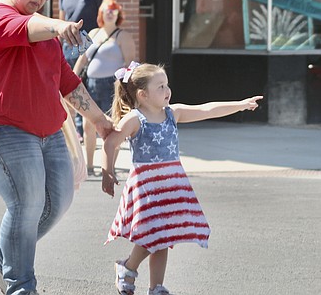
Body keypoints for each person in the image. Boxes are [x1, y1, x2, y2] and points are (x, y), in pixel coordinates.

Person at [0, 0, 114, 295]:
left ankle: (2, 257)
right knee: (26, 205)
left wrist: (102, 122)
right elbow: (29, 25)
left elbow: (67, 82)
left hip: (46, 133)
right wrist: (60, 25)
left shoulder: (46, 37)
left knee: (56, 203)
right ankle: (20, 287)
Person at [101, 62, 262, 295]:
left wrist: (239, 105)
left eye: (167, 85)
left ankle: (156, 286)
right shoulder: (134, 120)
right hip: (146, 186)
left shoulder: (172, 113)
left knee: (163, 235)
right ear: (143, 94)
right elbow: (110, 143)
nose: (167, 91)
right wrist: (108, 171)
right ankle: (128, 267)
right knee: (153, 233)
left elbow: (206, 110)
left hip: (171, 183)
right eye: (160, 87)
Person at [73, 0, 136, 176]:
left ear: (118, 14)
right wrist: (72, 77)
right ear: (100, 13)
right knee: (87, 125)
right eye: (106, 10)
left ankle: (110, 167)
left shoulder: (123, 36)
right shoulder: (93, 33)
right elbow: (83, 59)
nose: (109, 12)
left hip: (112, 85)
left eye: (113, 10)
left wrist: (125, 87)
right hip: (90, 85)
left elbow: (130, 63)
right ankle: (91, 167)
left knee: (113, 126)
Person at [59, 0, 106, 137]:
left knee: (85, 87)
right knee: (69, 85)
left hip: (88, 43)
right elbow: (62, 20)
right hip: (68, 44)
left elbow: (102, 20)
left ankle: (86, 127)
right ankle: (74, 129)